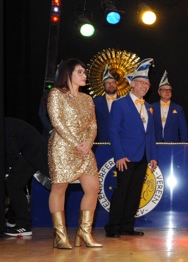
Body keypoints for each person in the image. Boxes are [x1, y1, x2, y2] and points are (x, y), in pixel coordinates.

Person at [46, 59, 102, 249]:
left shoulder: (87, 99)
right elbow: (57, 122)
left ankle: (84, 232)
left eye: (84, 72)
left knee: (93, 188)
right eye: (80, 72)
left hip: (84, 149)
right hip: (62, 148)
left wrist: (89, 142)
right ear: (68, 73)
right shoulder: (56, 94)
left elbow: (93, 125)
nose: (84, 75)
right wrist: (75, 143)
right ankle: (60, 235)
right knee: (59, 188)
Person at [106, 58, 158, 238]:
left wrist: (152, 156)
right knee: (122, 191)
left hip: (143, 156)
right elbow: (113, 131)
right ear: (132, 84)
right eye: (142, 83)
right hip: (126, 157)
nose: (145, 86)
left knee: (135, 193)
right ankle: (113, 227)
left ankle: (127, 226)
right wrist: (119, 155)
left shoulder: (149, 108)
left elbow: (150, 135)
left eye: (147, 84)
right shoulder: (119, 104)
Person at [4, 118, 50, 236]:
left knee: (13, 185)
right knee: (14, 184)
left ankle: (23, 225)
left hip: (32, 152)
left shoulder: (5, 126)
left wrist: (7, 170)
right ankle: (12, 219)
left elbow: (12, 153)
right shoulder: (7, 123)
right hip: (31, 150)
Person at [151, 71, 188, 142]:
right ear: (159, 92)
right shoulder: (151, 107)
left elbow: (183, 129)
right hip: (155, 144)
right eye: (164, 90)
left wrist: (183, 145)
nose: (167, 92)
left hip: (173, 144)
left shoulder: (178, 108)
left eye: (169, 90)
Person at [93, 66, 119, 142]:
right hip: (101, 142)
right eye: (108, 83)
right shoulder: (95, 102)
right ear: (103, 86)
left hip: (121, 141)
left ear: (116, 84)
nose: (111, 85)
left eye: (113, 82)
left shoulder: (125, 102)